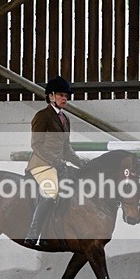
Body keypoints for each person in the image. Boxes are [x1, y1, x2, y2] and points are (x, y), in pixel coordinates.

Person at [24, 76, 87, 247]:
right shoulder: (42, 116)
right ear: (51, 96)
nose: (64, 98)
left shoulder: (65, 119)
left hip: (58, 165)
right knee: (49, 194)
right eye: (61, 95)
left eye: (66, 96)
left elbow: (66, 148)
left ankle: (53, 231)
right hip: (41, 165)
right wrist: (55, 161)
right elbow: (36, 145)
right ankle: (33, 234)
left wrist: (81, 163)